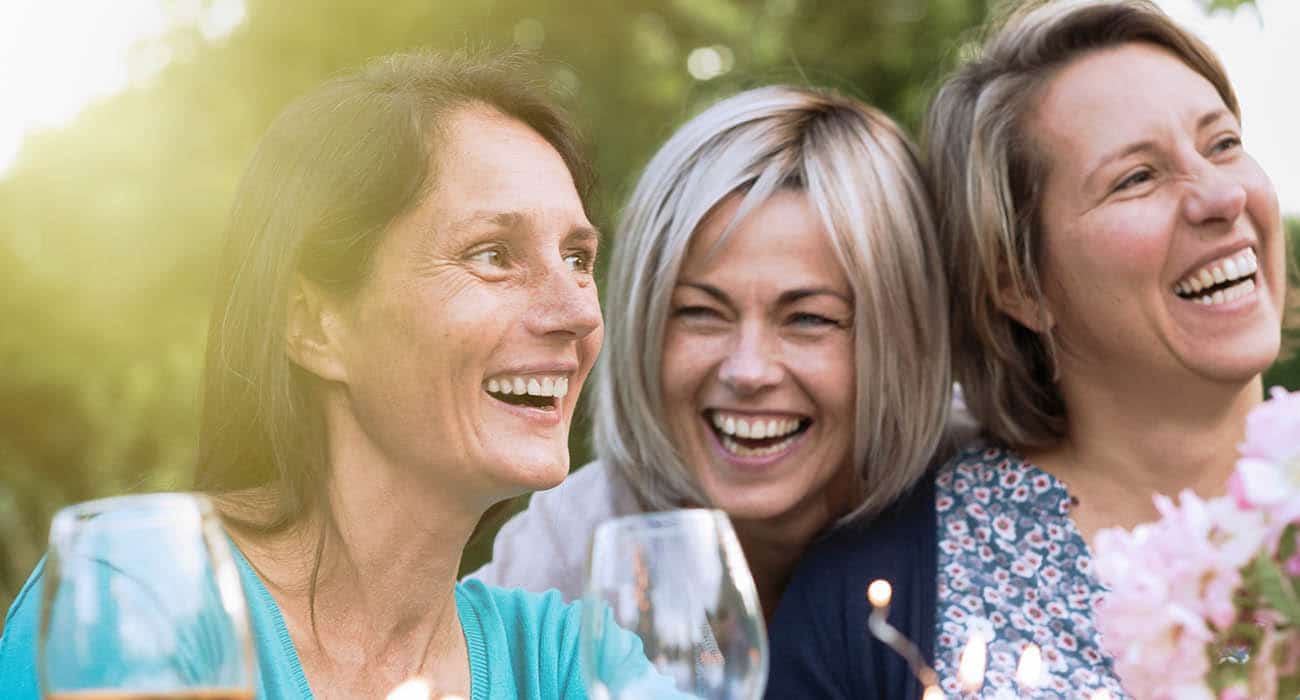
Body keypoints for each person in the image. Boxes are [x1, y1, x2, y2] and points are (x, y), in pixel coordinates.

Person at [0, 51, 662, 700]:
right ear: (315, 324)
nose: (579, 311)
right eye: (492, 255)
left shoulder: (566, 658)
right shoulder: (143, 600)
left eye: (578, 258)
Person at [764, 0, 1292, 697]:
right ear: (1019, 283)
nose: (1220, 196)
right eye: (1136, 177)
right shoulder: (868, 604)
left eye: (1222, 144)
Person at [470, 85, 965, 621]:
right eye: (701, 312)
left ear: (903, 338)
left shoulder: (996, 504)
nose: (747, 371)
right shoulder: (581, 544)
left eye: (808, 319)